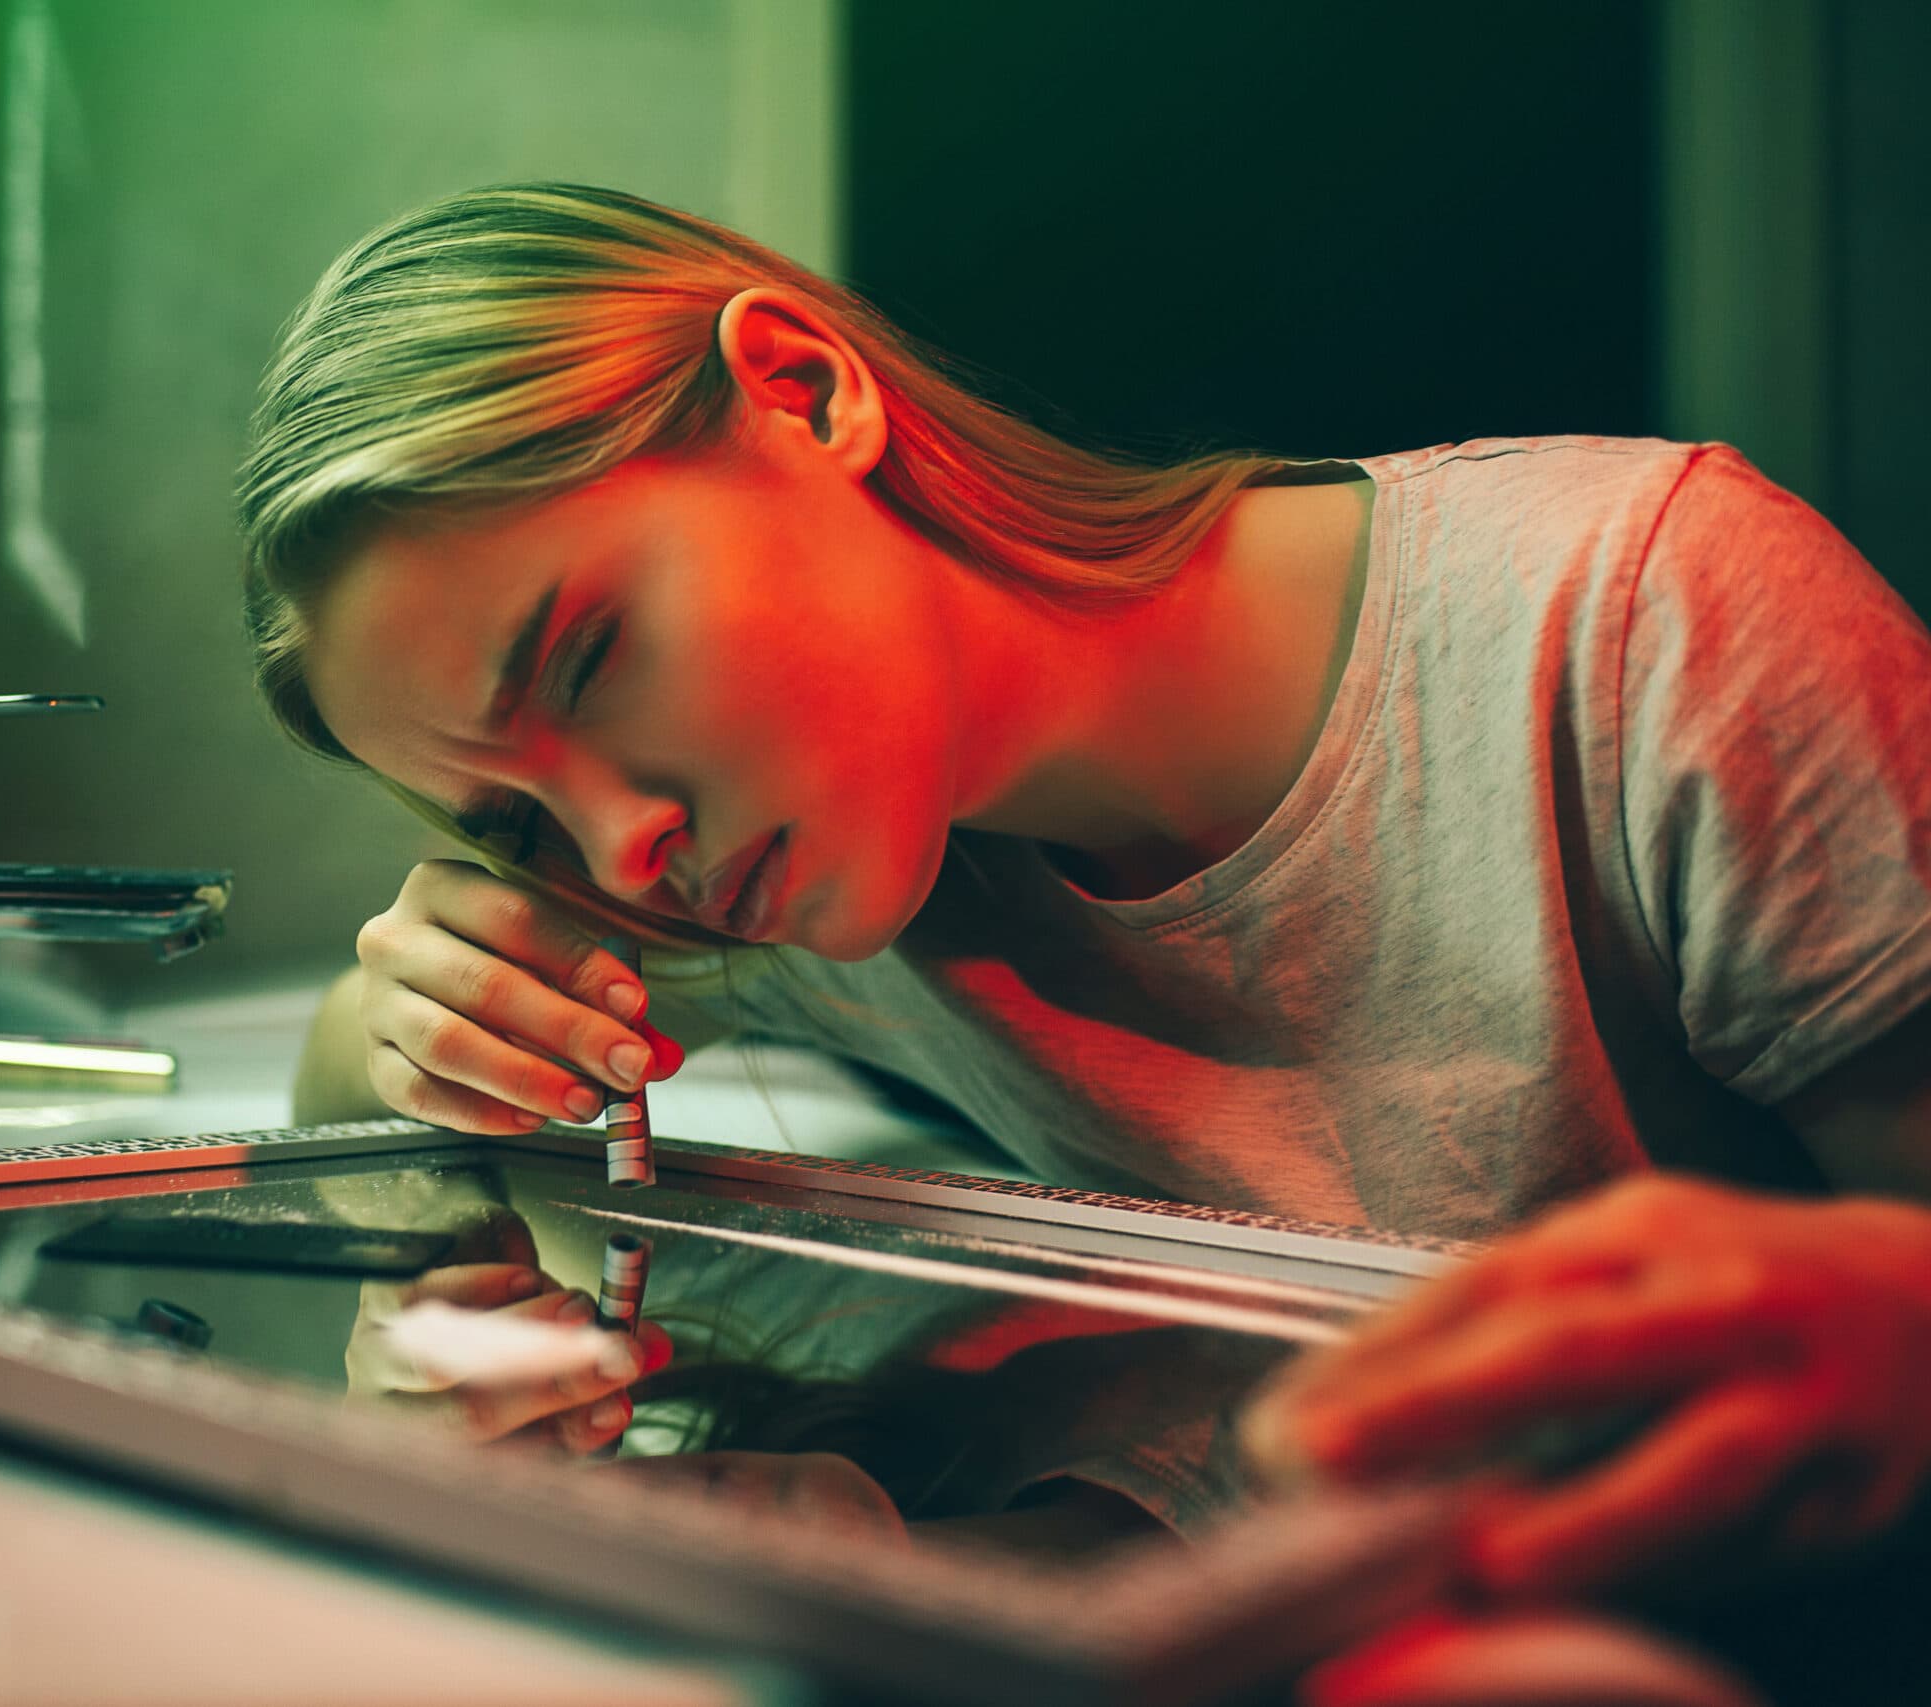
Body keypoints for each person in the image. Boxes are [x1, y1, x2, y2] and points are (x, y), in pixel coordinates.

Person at [236, 183, 1931, 1612]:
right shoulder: (795, 855)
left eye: (593, 658)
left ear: (807, 391)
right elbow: (365, 1139)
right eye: (513, 824)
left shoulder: (1643, 618)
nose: (616, 851)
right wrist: (393, 1030)